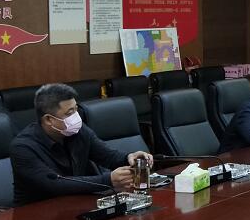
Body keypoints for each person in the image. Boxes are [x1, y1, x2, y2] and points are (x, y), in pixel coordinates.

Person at [10, 83, 152, 206]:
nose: (76, 117)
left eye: (76, 109)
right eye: (69, 113)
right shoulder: (23, 147)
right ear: (48, 120)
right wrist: (108, 180)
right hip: (36, 215)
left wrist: (129, 157)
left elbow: (107, 156)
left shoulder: (78, 131)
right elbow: (54, 184)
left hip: (75, 205)